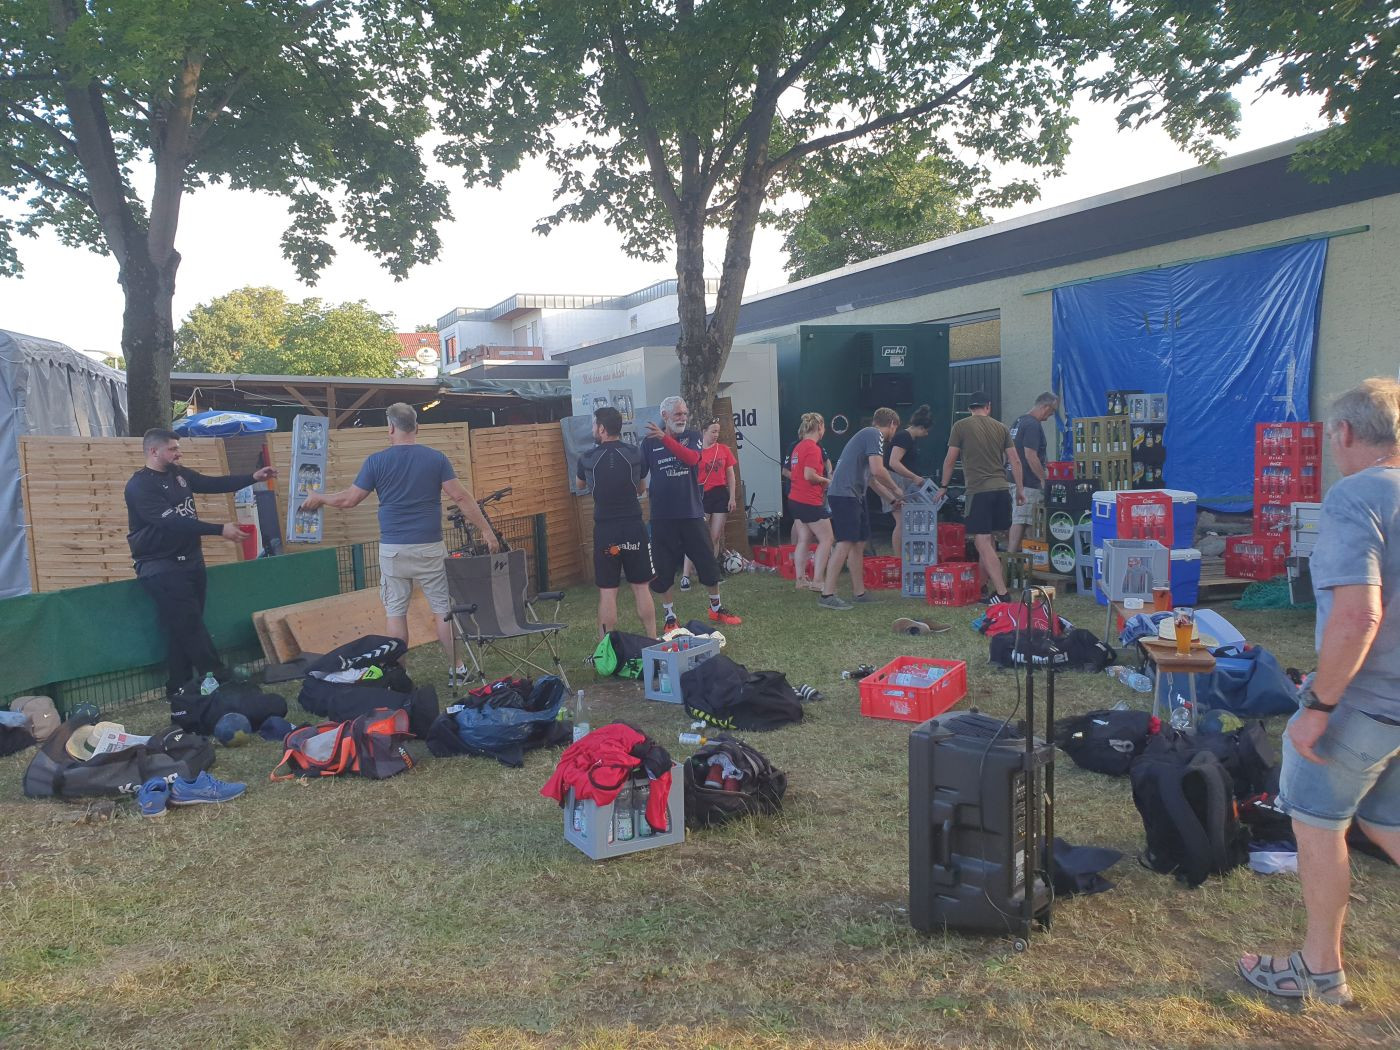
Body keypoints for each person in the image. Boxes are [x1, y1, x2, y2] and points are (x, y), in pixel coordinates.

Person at [1238, 378, 1400, 1008]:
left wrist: (1318, 706)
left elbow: (1359, 615)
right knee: (1385, 820)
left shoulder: (1355, 496)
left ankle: (1319, 970)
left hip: (1365, 703)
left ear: (1345, 433)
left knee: (1316, 823)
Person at [302, 403, 498, 672]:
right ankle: (457, 668)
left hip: (393, 550)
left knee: (395, 613)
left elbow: (349, 500)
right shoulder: (436, 459)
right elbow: (461, 497)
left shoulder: (376, 461)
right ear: (417, 427)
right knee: (443, 610)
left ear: (391, 428)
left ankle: (398, 673)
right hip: (430, 548)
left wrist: (319, 498)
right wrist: (486, 530)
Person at [125, 428, 277, 696]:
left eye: (178, 448)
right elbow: (172, 522)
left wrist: (251, 477)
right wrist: (219, 529)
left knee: (183, 626)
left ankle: (178, 687)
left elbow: (211, 484)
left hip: (191, 561)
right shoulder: (140, 486)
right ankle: (219, 679)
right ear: (153, 451)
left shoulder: (179, 474)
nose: (179, 453)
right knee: (191, 625)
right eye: (173, 449)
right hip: (160, 565)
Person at [641, 396, 742, 631]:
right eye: (678, 414)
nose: (683, 418)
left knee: (707, 561)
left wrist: (664, 438)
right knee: (663, 568)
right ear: (665, 416)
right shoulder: (648, 443)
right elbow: (641, 473)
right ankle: (670, 617)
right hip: (662, 515)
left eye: (685, 413)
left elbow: (691, 458)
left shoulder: (693, 436)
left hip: (691, 512)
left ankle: (716, 608)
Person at [934, 392, 1024, 604]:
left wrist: (944, 486)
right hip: (1002, 489)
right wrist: (1020, 490)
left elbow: (950, 460)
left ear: (969, 408)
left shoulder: (961, 426)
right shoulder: (1001, 427)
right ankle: (982, 588)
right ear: (988, 406)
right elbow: (1016, 461)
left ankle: (1002, 593)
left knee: (981, 541)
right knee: (989, 541)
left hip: (979, 491)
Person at [575, 406, 657, 638]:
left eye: (594, 425)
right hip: (633, 529)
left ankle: (605, 649)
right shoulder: (635, 453)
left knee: (608, 591)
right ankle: (652, 640)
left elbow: (580, 485)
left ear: (602, 428)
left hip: (606, 533)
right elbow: (641, 488)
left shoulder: (587, 458)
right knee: (641, 587)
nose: (593, 429)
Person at [819, 407, 906, 610]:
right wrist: (896, 488)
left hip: (853, 495)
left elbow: (872, 480)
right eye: (895, 429)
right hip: (844, 495)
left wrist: (892, 500)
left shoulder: (867, 437)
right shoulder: (874, 435)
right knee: (845, 542)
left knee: (858, 543)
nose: (894, 434)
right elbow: (878, 470)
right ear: (892, 424)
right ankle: (827, 594)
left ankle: (860, 593)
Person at [679, 418, 737, 591]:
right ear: (704, 432)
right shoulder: (696, 450)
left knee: (715, 536)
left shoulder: (724, 449)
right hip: (701, 494)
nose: (716, 435)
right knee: (696, 536)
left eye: (718, 431)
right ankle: (685, 575)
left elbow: (730, 475)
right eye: (713, 431)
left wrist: (732, 497)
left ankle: (711, 572)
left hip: (720, 494)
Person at [1007, 392, 1059, 553]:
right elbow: (1030, 455)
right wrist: (1043, 479)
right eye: (1052, 412)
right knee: (1021, 519)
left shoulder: (1019, 421)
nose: (1050, 416)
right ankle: (1010, 558)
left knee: (1029, 521)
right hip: (1027, 482)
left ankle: (1032, 558)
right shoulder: (1032, 425)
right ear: (1046, 407)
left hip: (1014, 478)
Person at [788, 412, 834, 591]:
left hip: (795, 499)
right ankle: (818, 581)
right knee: (827, 538)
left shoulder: (798, 447)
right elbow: (809, 475)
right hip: (809, 500)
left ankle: (800, 579)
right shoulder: (813, 448)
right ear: (819, 427)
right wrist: (826, 481)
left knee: (804, 539)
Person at [884, 404, 934, 554]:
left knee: (905, 521)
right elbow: (893, 462)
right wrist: (913, 477)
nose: (926, 434)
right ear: (920, 427)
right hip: (895, 480)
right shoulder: (904, 437)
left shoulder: (910, 439)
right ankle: (898, 558)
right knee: (901, 521)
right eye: (925, 431)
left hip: (904, 481)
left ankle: (906, 555)